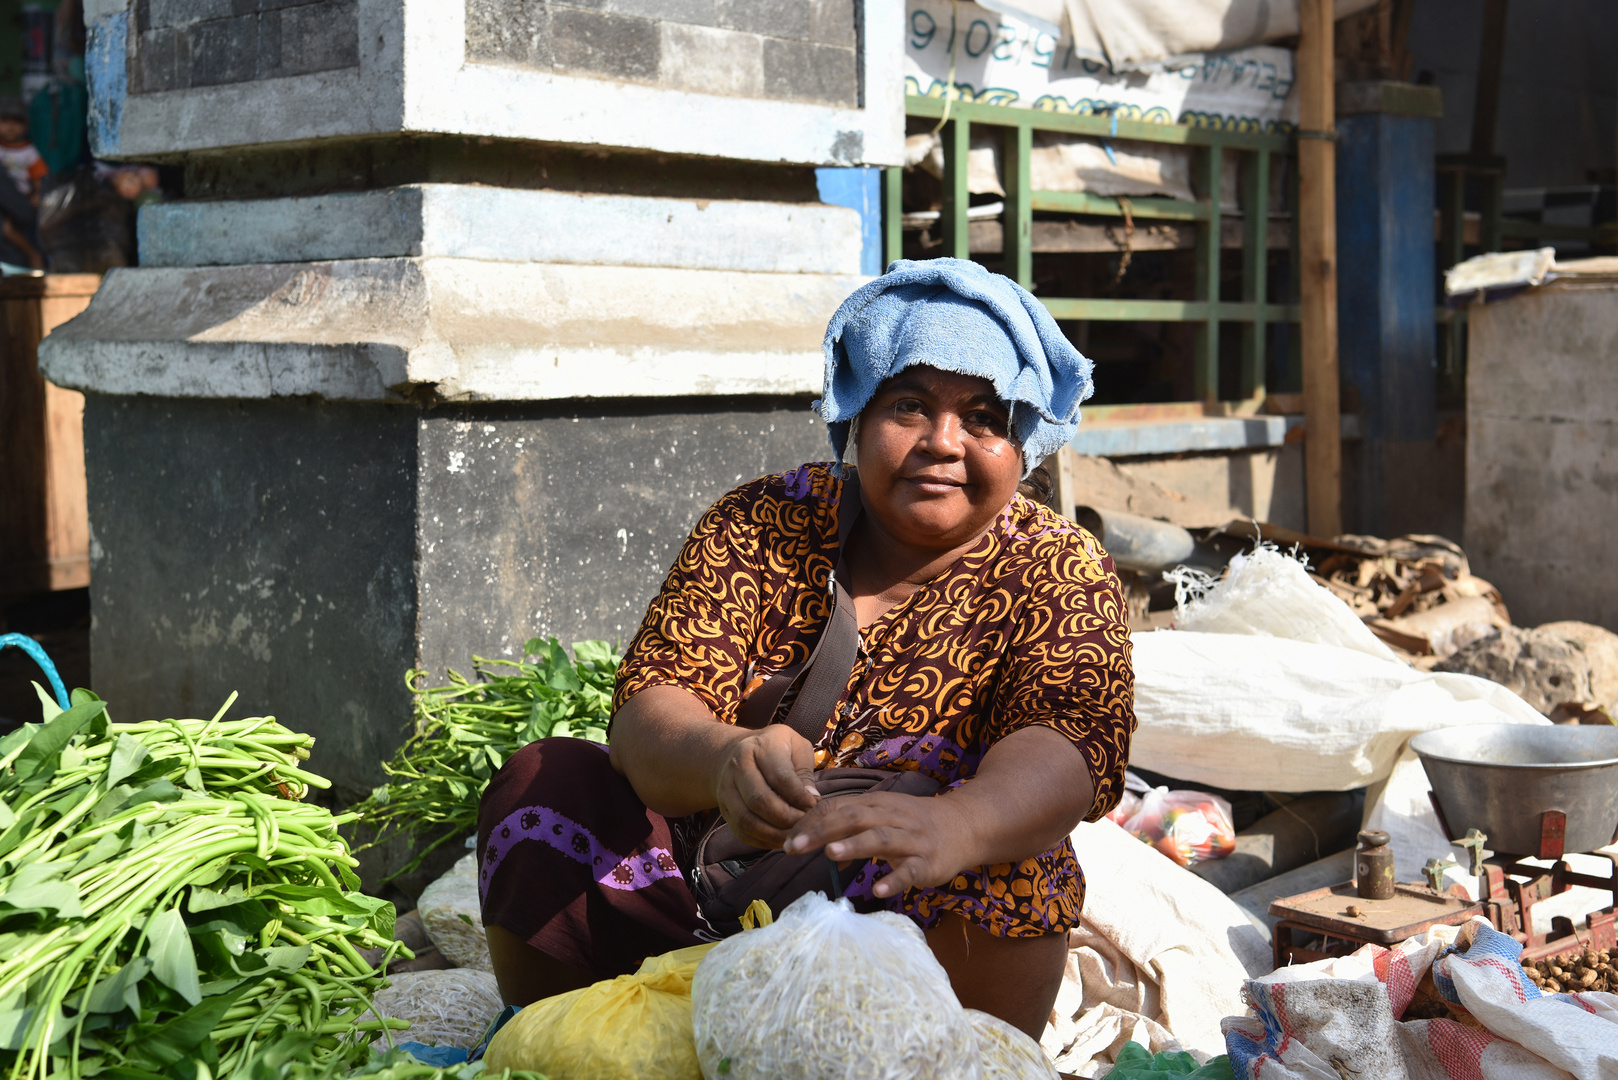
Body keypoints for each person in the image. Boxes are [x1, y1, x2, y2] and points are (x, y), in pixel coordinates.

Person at [477, 258, 1136, 1038]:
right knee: (544, 784)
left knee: (1017, 855)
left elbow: (1068, 741)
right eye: (909, 405)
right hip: (709, 895)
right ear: (859, 414)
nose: (942, 443)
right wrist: (725, 760)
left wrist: (955, 827)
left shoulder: (1059, 565)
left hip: (914, 922)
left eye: (985, 417)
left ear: (1023, 439)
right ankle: (578, 1035)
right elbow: (654, 705)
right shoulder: (765, 521)